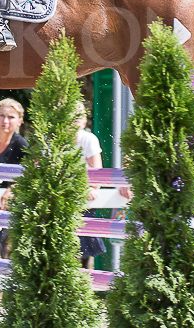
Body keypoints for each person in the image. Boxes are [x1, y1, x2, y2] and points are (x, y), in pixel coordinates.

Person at [0, 98, 28, 258]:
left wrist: (12, 190)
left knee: (3, 247)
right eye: (1, 116)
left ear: (20, 121)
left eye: (11, 117)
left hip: (8, 203)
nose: (5, 121)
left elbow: (30, 175)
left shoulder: (22, 145)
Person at [74, 101, 107, 268]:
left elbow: (97, 170)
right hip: (64, 196)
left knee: (83, 251)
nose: (74, 121)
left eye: (78, 117)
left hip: (83, 198)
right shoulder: (56, 138)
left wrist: (92, 188)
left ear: (84, 120)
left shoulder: (88, 139)